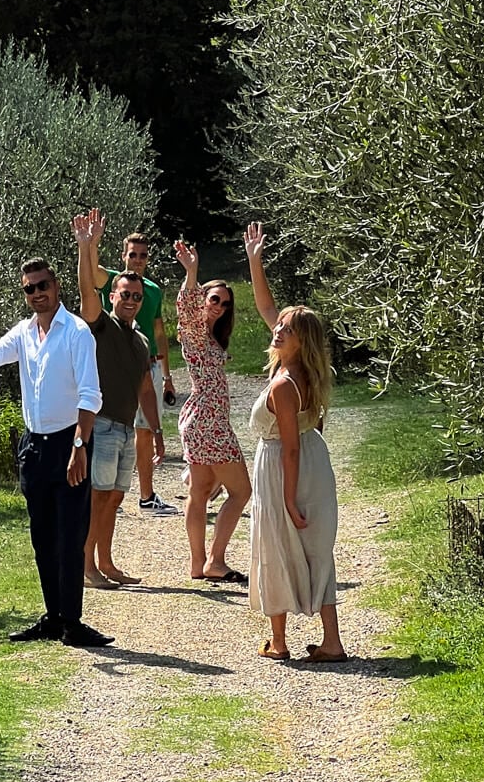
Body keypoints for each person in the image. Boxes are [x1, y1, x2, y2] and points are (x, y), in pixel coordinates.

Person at [0, 258, 112, 650]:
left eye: (42, 285)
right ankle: (53, 616)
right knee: (43, 536)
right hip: (34, 447)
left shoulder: (76, 332)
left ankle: (73, 622)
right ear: (24, 294)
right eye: (29, 289)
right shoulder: (24, 333)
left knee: (70, 534)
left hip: (68, 443)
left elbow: (90, 395)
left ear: (56, 286)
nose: (37, 294)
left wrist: (79, 446)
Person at [243, 222, 346, 662]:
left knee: (276, 543)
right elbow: (267, 306)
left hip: (285, 465)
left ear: (300, 340)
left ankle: (280, 641)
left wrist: (286, 499)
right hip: (312, 459)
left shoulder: (285, 383)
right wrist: (254, 261)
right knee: (316, 550)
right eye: (278, 326)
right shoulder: (305, 371)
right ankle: (331, 641)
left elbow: (286, 447)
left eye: (286, 328)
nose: (277, 330)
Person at [73, 210, 166, 586]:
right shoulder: (101, 326)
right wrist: (86, 246)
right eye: (124, 295)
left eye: (136, 297)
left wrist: (156, 430)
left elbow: (146, 387)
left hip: (127, 429)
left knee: (114, 498)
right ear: (112, 296)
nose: (130, 300)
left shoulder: (140, 340)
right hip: (104, 425)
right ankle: (86, 565)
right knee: (97, 499)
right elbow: (85, 290)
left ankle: (106, 562)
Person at [173, 240, 251, 585]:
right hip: (208, 421)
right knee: (241, 491)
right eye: (214, 299)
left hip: (202, 419)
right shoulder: (194, 331)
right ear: (204, 299)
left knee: (200, 491)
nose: (219, 306)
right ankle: (215, 561)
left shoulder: (210, 336)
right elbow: (184, 308)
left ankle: (199, 563)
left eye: (225, 303)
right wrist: (192, 273)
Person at [91, 229, 176, 511]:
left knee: (145, 431)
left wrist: (167, 374)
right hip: (115, 368)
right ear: (123, 255)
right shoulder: (111, 282)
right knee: (114, 429)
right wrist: (90, 243)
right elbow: (90, 272)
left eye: (142, 255)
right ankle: (104, 502)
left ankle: (146, 496)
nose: (137, 260)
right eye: (132, 254)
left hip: (146, 361)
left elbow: (159, 331)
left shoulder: (151, 290)